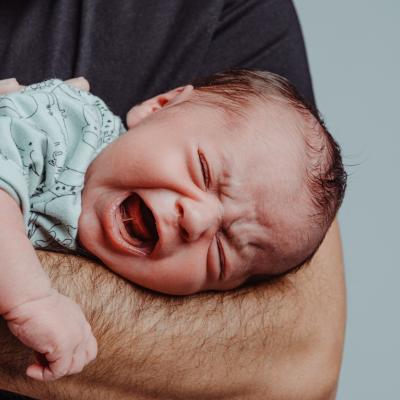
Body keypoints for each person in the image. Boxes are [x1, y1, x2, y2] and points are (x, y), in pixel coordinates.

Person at [0, 1, 346, 399]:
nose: (196, 220)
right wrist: (31, 299)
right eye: (203, 170)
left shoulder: (236, 15)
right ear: (157, 108)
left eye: (221, 251)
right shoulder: (64, 126)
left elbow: (300, 367)